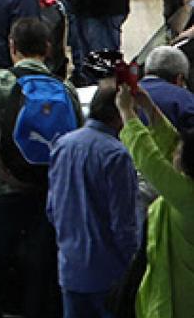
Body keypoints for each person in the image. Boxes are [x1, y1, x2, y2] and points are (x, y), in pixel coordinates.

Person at [0, 17, 81, 318]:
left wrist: (0, 169)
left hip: (4, 190)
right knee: (41, 270)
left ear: (12, 46)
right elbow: (76, 141)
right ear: (48, 48)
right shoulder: (65, 89)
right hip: (48, 193)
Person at [44, 80, 138, 316]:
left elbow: (52, 209)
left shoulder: (62, 146)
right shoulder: (117, 155)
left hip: (70, 268)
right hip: (109, 273)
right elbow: (123, 225)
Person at [117, 80, 194, 317]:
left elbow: (150, 159)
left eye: (179, 152)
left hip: (178, 301)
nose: (174, 152)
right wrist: (149, 108)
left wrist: (127, 112)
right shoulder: (184, 190)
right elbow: (171, 142)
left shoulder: (186, 197)